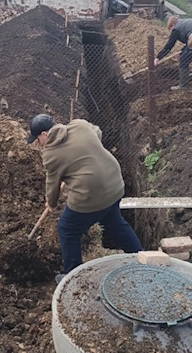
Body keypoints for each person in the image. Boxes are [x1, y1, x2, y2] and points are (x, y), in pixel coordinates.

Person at [27, 114, 142, 282]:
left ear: (44, 134)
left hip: (90, 194)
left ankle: (73, 276)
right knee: (115, 222)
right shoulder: (79, 125)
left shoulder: (51, 155)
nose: (39, 144)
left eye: (37, 139)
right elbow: (97, 132)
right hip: (114, 183)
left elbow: (52, 184)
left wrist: (51, 204)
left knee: (67, 229)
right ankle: (141, 258)